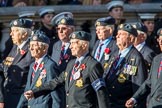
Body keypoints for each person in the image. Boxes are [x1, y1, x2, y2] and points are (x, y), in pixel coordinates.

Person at [23, 31, 110, 108]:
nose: (70, 47)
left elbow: (100, 92)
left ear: (84, 45)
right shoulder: (71, 64)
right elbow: (56, 82)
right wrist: (35, 92)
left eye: (74, 43)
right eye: (70, 43)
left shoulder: (93, 65)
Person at [103, 23, 147, 108]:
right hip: (110, 102)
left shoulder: (136, 58)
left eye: (121, 34)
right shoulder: (115, 54)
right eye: (117, 34)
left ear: (131, 38)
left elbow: (138, 86)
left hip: (123, 104)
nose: (117, 37)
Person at [17, 30, 63, 108]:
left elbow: (56, 93)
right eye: (30, 45)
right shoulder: (32, 66)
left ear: (45, 48)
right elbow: (27, 91)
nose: (31, 48)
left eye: (35, 45)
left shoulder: (50, 65)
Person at [0, 19, 34, 108]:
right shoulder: (15, 47)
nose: (11, 34)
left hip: (21, 99)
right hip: (9, 96)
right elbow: (5, 65)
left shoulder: (32, 49)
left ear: (24, 34)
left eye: (14, 31)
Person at [125, 28, 162, 108]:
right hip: (153, 104)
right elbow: (148, 83)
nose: (161, 42)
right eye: (160, 40)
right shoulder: (157, 59)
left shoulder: (149, 53)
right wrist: (134, 98)